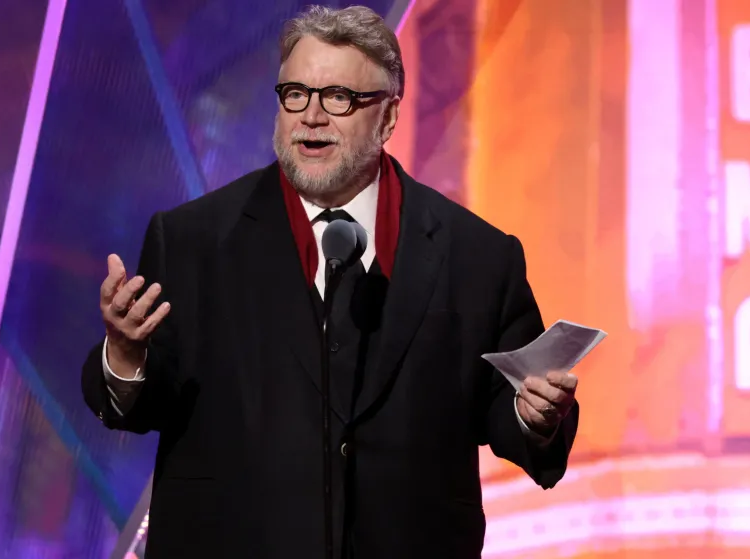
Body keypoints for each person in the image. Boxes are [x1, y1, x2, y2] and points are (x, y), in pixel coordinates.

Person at [81, 5, 579, 558]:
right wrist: (125, 356)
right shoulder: (193, 241)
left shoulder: (479, 257)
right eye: (295, 93)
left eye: (338, 98)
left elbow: (514, 407)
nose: (311, 116)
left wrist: (532, 415)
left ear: (388, 118)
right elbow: (138, 406)